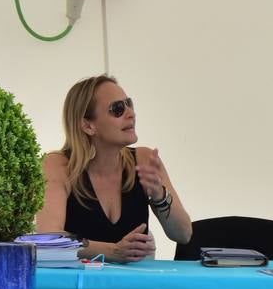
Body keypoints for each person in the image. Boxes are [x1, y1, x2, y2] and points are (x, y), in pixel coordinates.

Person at [35, 75, 192, 262]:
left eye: (129, 104)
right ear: (88, 126)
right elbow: (48, 238)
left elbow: (184, 234)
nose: (131, 113)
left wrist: (160, 196)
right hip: (79, 286)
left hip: (131, 286)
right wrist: (112, 251)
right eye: (117, 109)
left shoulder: (144, 159)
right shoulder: (57, 165)